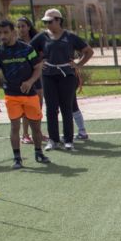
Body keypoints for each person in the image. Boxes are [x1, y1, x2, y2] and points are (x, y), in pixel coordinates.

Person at [0, 19, 50, 169]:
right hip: (11, 95)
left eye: (6, 32)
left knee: (36, 127)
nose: (2, 36)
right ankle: (17, 158)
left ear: (13, 32)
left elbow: (38, 67)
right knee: (14, 127)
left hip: (30, 95)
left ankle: (38, 152)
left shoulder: (27, 49)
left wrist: (30, 82)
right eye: (0, 33)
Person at [30, 8, 92, 151]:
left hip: (67, 76)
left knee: (67, 108)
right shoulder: (42, 37)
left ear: (59, 21)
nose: (47, 25)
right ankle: (53, 140)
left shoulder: (70, 36)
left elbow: (88, 51)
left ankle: (68, 140)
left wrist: (78, 65)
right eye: (45, 22)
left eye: (50, 21)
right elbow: (28, 51)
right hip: (48, 76)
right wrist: (40, 63)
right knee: (51, 108)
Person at [15, 16, 46, 145]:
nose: (21, 29)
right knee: (26, 107)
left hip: (37, 77)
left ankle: (37, 132)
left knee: (38, 106)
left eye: (23, 26)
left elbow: (43, 55)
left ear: (29, 27)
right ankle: (25, 134)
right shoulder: (16, 43)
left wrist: (42, 62)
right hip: (24, 79)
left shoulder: (37, 40)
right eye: (19, 26)